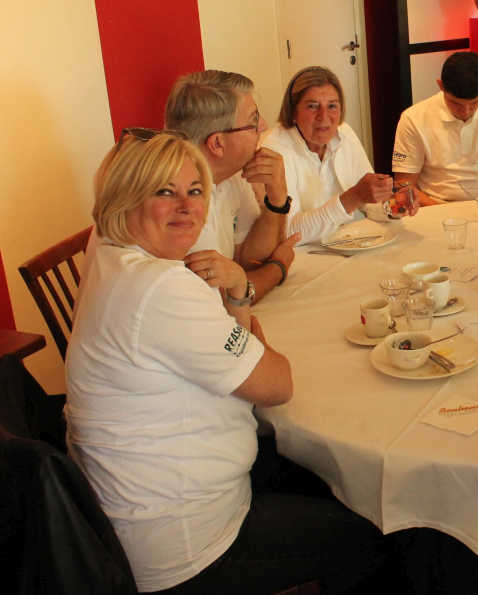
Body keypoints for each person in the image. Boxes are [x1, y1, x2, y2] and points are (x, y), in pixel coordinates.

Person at [65, 131, 385, 594]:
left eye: (195, 191)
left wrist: (238, 292)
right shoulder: (161, 287)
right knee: (375, 531)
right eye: (164, 192)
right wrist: (244, 309)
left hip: (134, 512)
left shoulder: (113, 255)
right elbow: (277, 384)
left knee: (323, 471)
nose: (187, 208)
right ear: (125, 199)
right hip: (188, 546)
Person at [165, 70, 298, 303]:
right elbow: (223, 300)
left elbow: (249, 260)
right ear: (217, 144)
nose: (263, 126)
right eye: (253, 120)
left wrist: (277, 197)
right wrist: (278, 268)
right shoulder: (179, 204)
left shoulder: (230, 174)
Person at [260, 66, 416, 244]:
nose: (324, 116)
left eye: (332, 106)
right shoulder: (274, 149)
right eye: (312, 106)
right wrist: (353, 198)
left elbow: (368, 202)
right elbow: (287, 232)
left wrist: (394, 206)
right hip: (304, 254)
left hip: (352, 241)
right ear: (293, 112)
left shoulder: (344, 132)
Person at [392, 51, 478, 205]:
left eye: (474, 103)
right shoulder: (413, 118)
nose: (465, 111)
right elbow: (403, 185)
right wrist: (448, 213)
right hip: (435, 206)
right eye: (455, 103)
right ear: (441, 86)